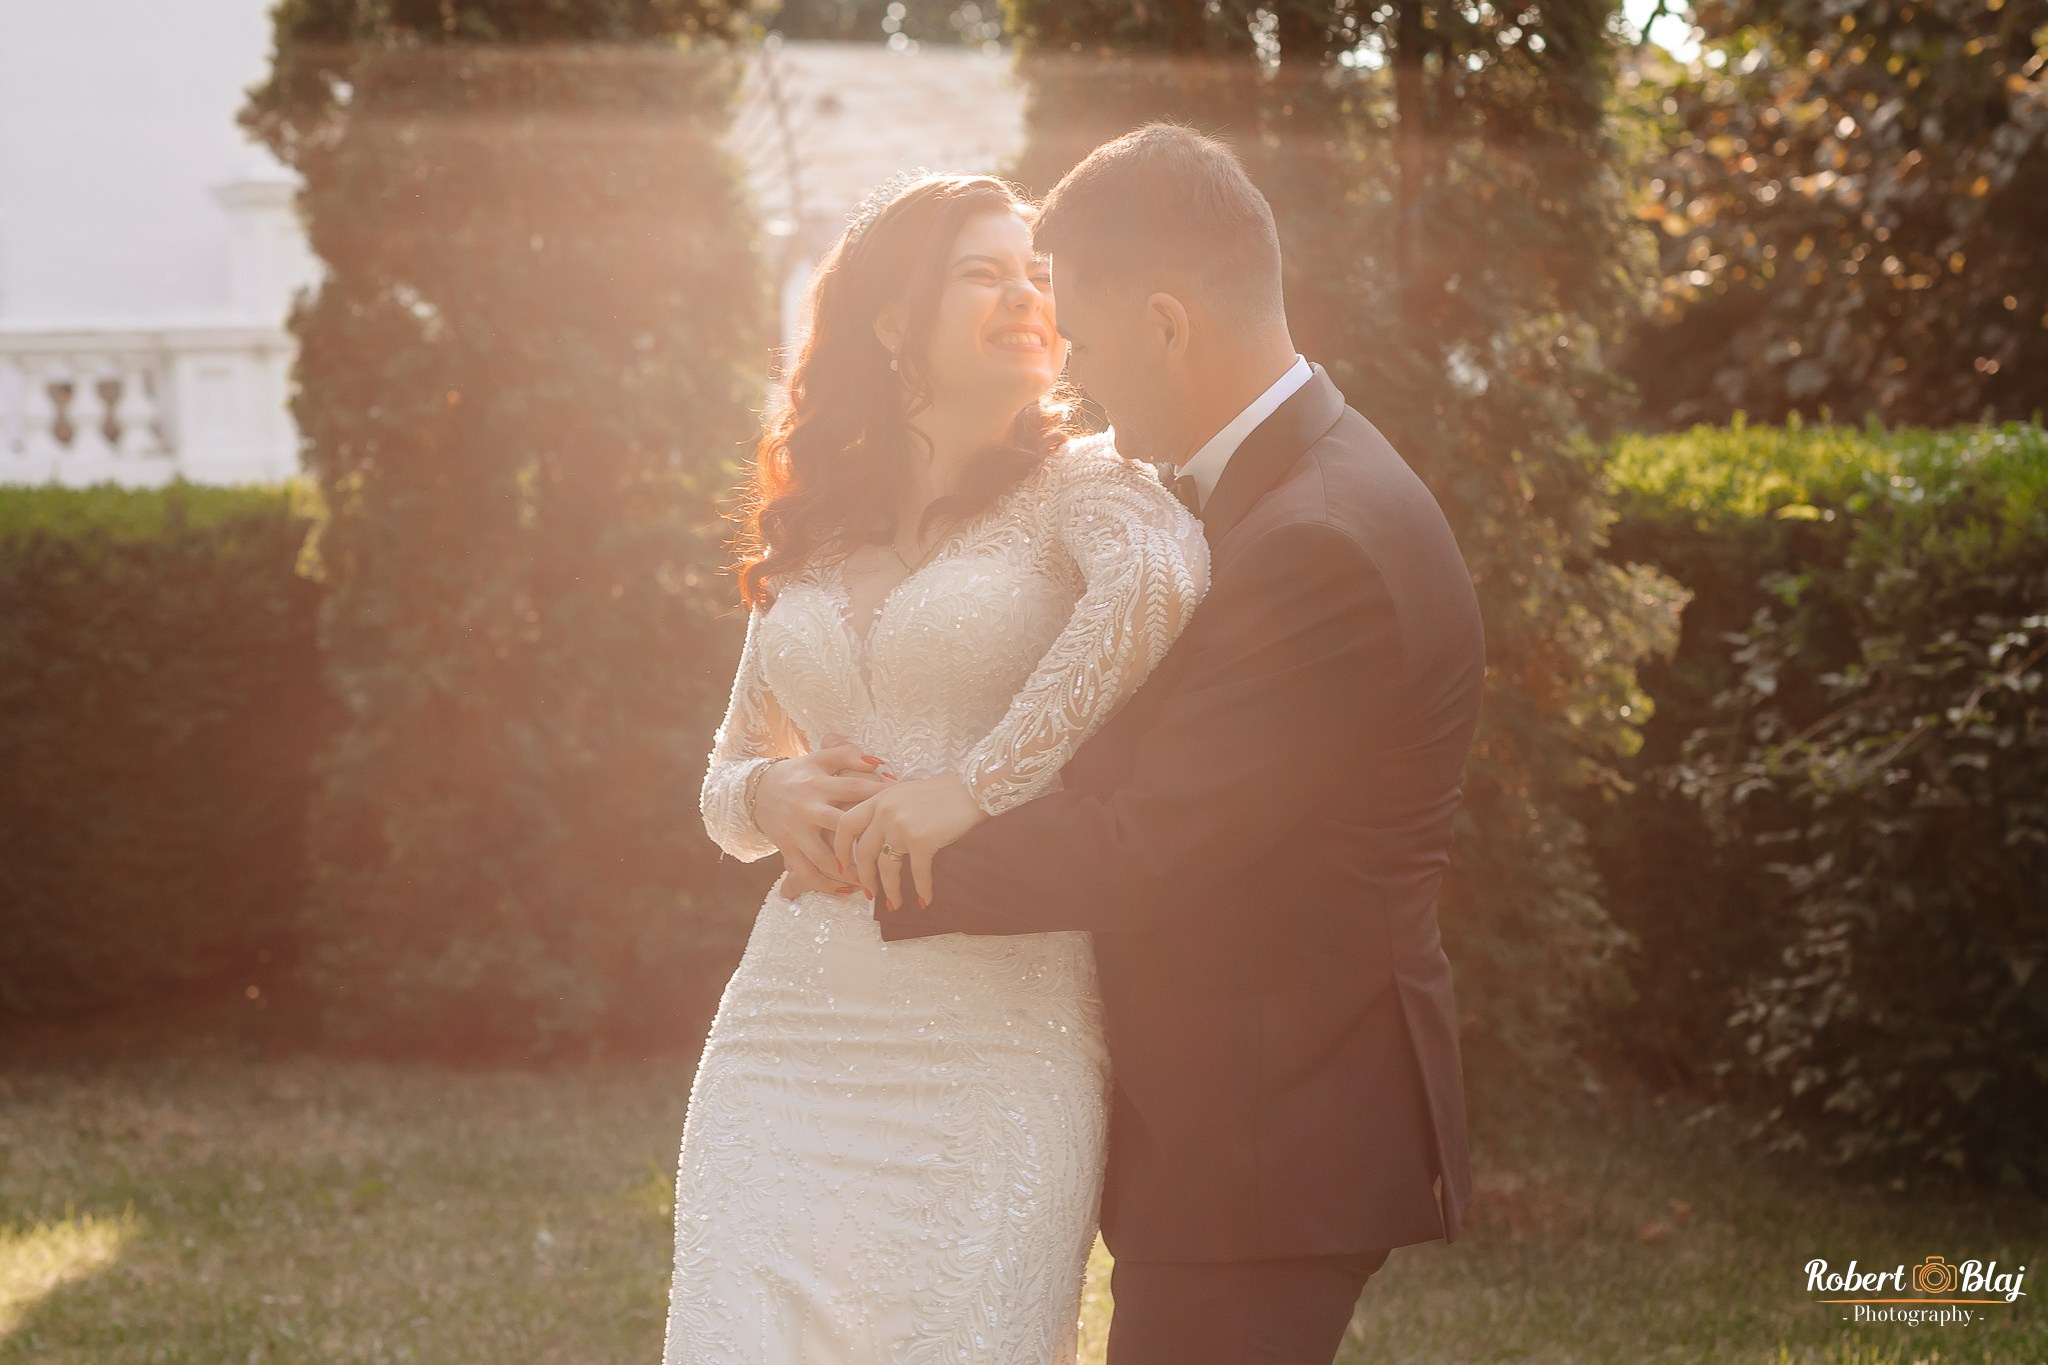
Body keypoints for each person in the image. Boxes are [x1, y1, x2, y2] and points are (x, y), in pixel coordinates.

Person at [847, 125, 1486, 1365]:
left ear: (1167, 323)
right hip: (1250, 1119)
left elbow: (1152, 840)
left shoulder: (1319, 542)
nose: (1072, 376)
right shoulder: (1287, 489)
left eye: (1079, 339)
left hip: (1270, 1131)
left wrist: (893, 846)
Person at [664, 172, 1208, 1363]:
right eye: (984, 272)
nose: (1026, 297)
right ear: (890, 319)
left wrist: (977, 786)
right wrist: (770, 792)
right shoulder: (819, 526)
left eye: (1040, 279)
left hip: (996, 1039)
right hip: (788, 1036)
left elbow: (1159, 583)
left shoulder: (1090, 485)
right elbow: (723, 779)